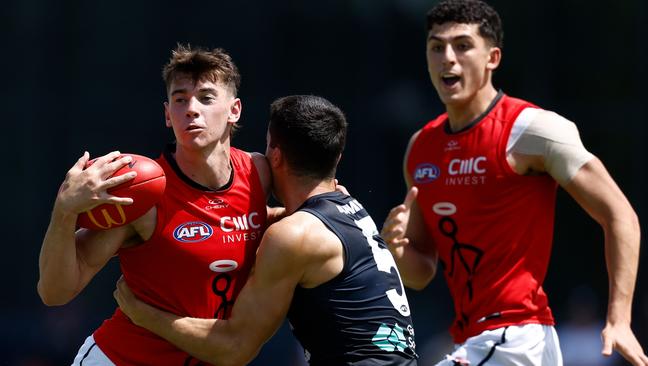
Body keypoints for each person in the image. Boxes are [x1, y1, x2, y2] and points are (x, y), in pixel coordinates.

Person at [380, 0, 648, 365]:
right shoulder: (421, 148)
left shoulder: (531, 129)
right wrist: (396, 250)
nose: (447, 57)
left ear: (492, 58)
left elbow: (619, 215)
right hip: (475, 340)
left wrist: (619, 319)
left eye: (462, 45)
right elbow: (421, 273)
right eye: (436, 46)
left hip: (517, 338)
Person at [113, 95, 419, 366]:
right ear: (336, 157)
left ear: (275, 155)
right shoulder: (347, 208)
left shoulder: (293, 236)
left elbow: (234, 348)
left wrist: (145, 315)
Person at [37, 44, 275, 365]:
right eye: (180, 99)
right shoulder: (143, 193)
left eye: (206, 97)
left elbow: (296, 213)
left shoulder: (259, 174)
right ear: (167, 114)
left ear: (235, 110)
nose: (191, 109)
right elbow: (54, 294)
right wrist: (64, 212)